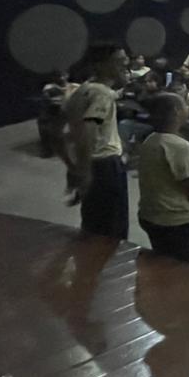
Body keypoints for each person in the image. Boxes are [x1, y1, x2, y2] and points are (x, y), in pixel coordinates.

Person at [136, 93, 189, 268]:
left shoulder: (150, 140)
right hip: (178, 220)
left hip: (152, 214)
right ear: (177, 112)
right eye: (185, 105)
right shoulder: (178, 146)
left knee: (168, 267)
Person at [64, 43, 130, 238]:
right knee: (111, 231)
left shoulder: (81, 90)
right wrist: (84, 172)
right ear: (100, 65)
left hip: (92, 165)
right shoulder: (102, 94)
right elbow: (88, 130)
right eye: (119, 61)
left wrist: (73, 166)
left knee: (93, 224)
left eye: (126, 60)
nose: (125, 65)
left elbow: (59, 133)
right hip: (105, 167)